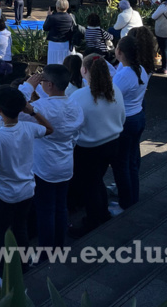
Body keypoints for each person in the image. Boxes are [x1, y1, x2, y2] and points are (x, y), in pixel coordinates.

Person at [0, 85, 53, 291]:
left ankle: (5, 277)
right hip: (27, 190)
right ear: (21, 109)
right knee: (20, 230)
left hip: (4, 193)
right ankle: (23, 266)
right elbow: (49, 129)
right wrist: (33, 112)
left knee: (2, 235)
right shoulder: (29, 128)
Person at [20, 65, 83, 251]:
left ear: (49, 84)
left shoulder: (41, 108)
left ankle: (46, 251)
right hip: (65, 164)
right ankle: (59, 244)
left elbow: (13, 110)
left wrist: (27, 87)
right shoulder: (75, 105)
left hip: (44, 167)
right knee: (61, 207)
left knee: (45, 210)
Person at [69, 54, 125, 232]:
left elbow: (72, 125)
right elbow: (123, 117)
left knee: (90, 184)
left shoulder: (79, 96)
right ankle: (102, 212)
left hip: (88, 148)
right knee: (96, 180)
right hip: (112, 143)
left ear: (84, 70)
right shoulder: (114, 89)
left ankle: (94, 219)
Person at [111, 35, 150, 210]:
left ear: (119, 51)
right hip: (137, 116)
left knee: (121, 163)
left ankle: (125, 202)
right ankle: (133, 196)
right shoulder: (139, 68)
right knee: (132, 160)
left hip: (126, 121)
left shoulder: (125, 74)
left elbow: (111, 95)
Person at [43, 0, 76, 65]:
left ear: (57, 7)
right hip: (66, 43)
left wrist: (48, 16)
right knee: (65, 63)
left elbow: (45, 28)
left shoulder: (52, 17)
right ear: (67, 7)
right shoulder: (71, 17)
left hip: (54, 43)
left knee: (53, 62)